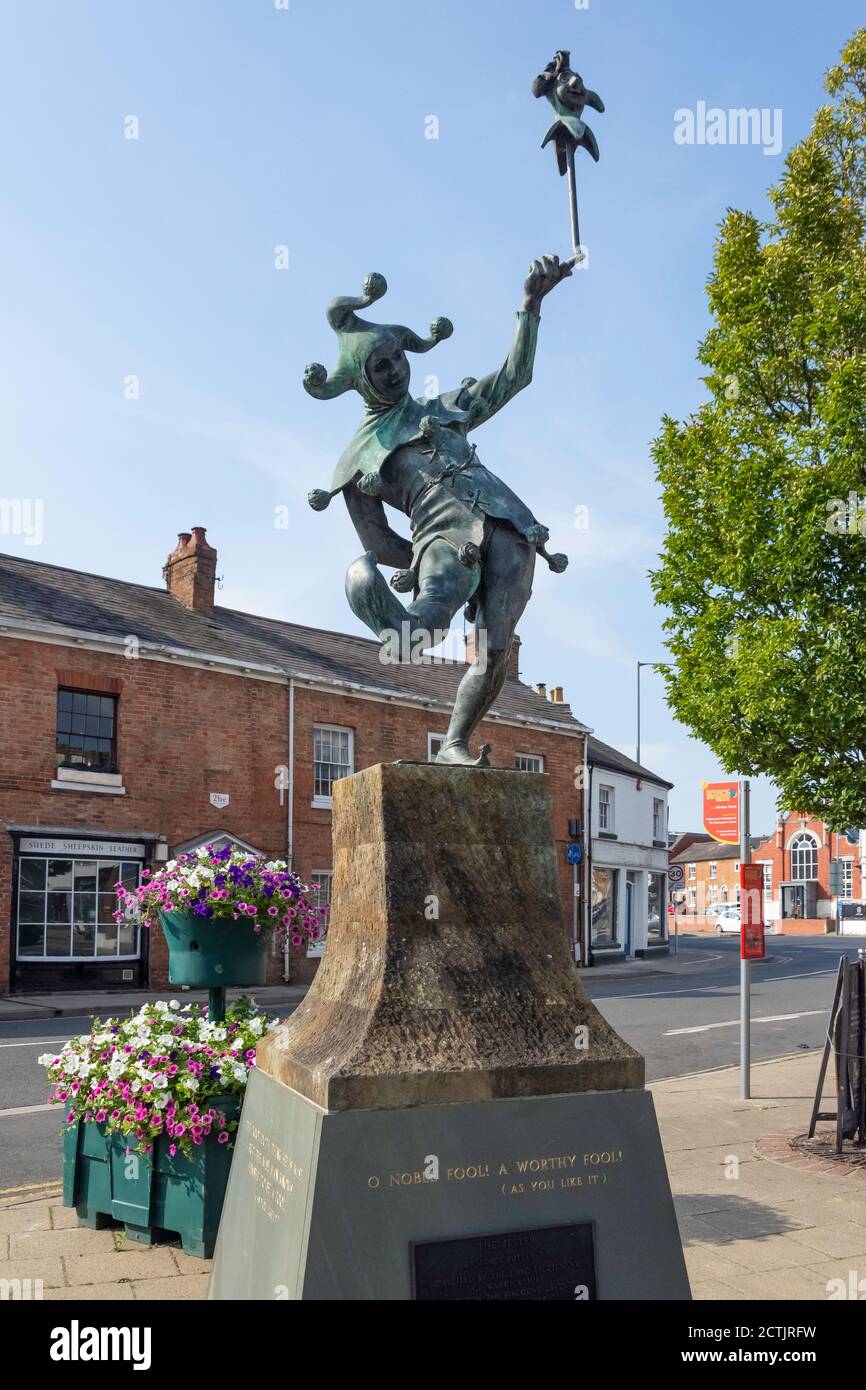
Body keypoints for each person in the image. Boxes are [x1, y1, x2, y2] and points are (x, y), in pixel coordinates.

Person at [304, 256, 572, 765]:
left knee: (495, 650)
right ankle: (403, 631)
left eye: (398, 358)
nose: (394, 370)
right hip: (439, 539)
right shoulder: (359, 457)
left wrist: (531, 304)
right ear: (360, 379)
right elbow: (377, 540)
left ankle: (454, 744)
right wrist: (414, 561)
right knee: (435, 601)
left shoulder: (442, 410)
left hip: (511, 528)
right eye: (380, 366)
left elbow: (515, 376)